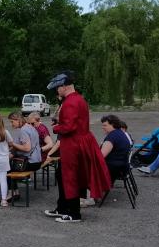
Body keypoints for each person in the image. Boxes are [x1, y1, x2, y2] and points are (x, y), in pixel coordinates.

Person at [46, 71, 112, 223]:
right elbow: (74, 122)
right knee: (62, 174)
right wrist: (60, 122)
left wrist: (56, 128)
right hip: (79, 142)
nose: (57, 90)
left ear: (64, 86)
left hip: (73, 144)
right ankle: (63, 208)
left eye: (57, 87)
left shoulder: (70, 102)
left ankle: (74, 214)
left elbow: (68, 127)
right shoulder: (78, 99)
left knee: (71, 177)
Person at [7, 111, 41, 200]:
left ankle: (12, 193)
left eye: (12, 121)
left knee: (7, 169)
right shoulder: (30, 127)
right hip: (37, 161)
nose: (11, 124)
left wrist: (12, 144)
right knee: (11, 166)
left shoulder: (23, 130)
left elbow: (27, 148)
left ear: (18, 120)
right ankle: (15, 192)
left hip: (30, 162)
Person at [100, 115, 132, 182]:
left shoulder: (112, 137)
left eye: (105, 125)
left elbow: (101, 156)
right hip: (122, 165)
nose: (103, 127)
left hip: (113, 168)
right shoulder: (120, 133)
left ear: (113, 125)